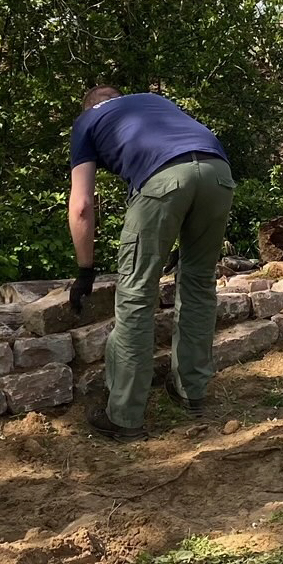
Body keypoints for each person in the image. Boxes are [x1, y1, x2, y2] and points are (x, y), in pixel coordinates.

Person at [67, 87, 235, 438]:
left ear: (90, 106)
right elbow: (188, 161)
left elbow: (81, 205)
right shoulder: (155, 102)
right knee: (199, 282)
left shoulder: (87, 121)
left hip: (163, 180)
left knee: (136, 295)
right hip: (218, 173)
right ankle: (192, 392)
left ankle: (124, 416)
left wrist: (85, 269)